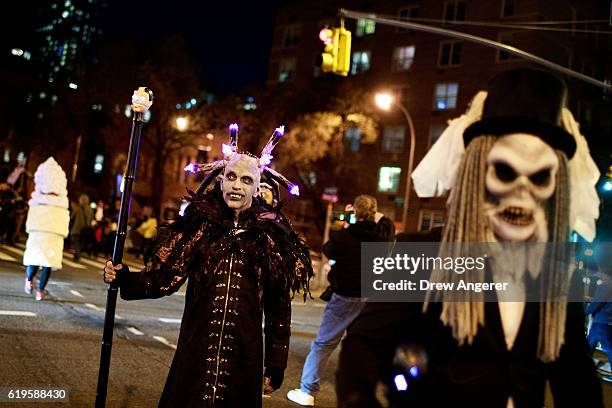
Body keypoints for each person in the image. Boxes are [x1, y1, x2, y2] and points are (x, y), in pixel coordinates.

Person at [336, 69, 603, 407]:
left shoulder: (560, 277)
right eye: (505, 172)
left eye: (540, 178)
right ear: (478, 172)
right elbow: (362, 348)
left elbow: (577, 381)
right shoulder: (423, 255)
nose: (521, 195)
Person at [103, 125, 312, 407]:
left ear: (257, 187)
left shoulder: (270, 238)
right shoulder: (200, 228)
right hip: (196, 350)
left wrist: (276, 364)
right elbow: (166, 278)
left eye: (246, 180)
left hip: (244, 357)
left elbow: (278, 307)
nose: (237, 185)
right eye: (232, 177)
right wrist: (123, 278)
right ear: (221, 180)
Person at [287, 195, 394, 407]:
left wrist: (347, 223)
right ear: (374, 214)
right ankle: (360, 393)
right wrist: (376, 218)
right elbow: (389, 236)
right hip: (368, 299)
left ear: (355, 212)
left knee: (323, 344)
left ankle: (307, 390)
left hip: (343, 297)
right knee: (361, 346)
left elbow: (328, 250)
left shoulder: (344, 236)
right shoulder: (381, 239)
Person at [22, 157, 70, 301]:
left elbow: (30, 221)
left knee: (35, 260)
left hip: (39, 233)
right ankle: (40, 290)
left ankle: (31, 282)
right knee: (46, 263)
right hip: (54, 235)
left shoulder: (37, 201)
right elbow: (64, 221)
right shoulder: (61, 202)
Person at [587, 250, 612, 375]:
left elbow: (597, 303)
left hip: (601, 321)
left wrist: (585, 312)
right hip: (606, 321)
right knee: (591, 345)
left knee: (606, 347)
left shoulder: (606, 284)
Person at [70, 194, 93, 261]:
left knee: (76, 242)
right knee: (81, 242)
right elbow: (91, 218)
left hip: (77, 228)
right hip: (86, 228)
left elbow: (72, 217)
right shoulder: (90, 209)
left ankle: (77, 256)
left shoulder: (77, 208)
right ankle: (78, 254)